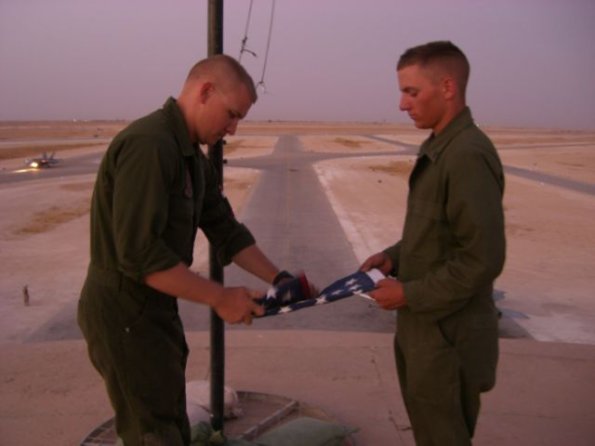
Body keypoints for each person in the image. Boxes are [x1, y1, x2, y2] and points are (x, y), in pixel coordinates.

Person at [78, 54, 294, 445]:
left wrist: (280, 279)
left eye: (239, 119)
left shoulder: (193, 158)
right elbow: (140, 256)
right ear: (205, 91)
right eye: (230, 115)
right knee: (151, 433)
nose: (232, 129)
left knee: (169, 419)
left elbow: (226, 231)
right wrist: (220, 297)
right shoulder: (150, 145)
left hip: (154, 309)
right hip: (124, 311)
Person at [360, 41, 506, 445]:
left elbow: (482, 259)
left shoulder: (466, 155)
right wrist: (393, 258)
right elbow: (436, 235)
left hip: (448, 337)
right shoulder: (440, 146)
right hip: (426, 332)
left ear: (447, 87)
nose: (402, 105)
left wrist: (409, 293)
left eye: (411, 92)